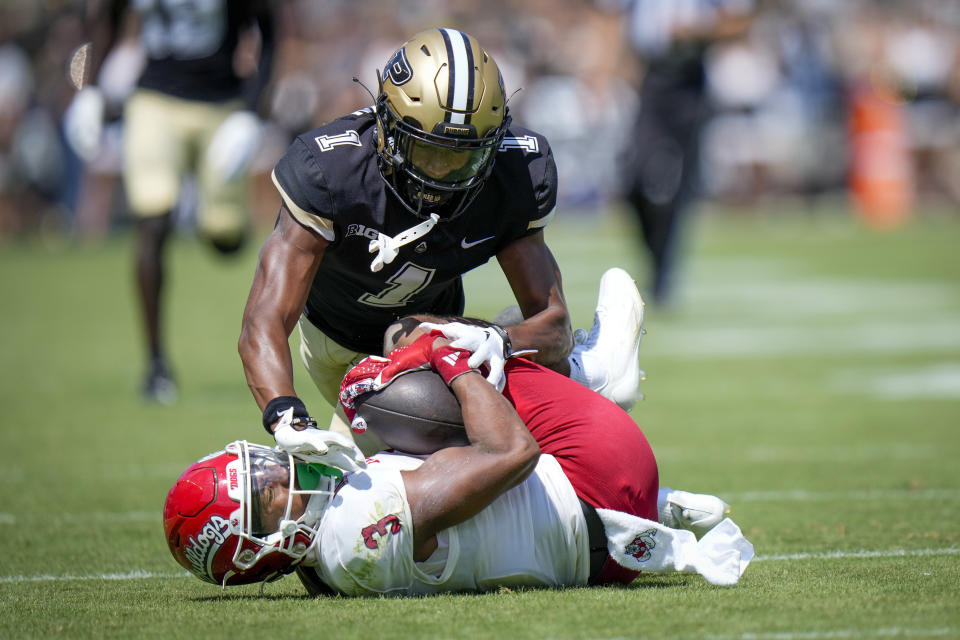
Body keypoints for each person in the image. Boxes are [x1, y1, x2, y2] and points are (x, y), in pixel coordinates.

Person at [237, 28, 644, 454]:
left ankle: (585, 394)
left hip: (435, 342)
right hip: (335, 345)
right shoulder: (331, 172)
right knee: (398, 465)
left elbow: (552, 323)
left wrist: (502, 342)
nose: (443, 174)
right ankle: (588, 376)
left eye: (463, 156)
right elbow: (264, 318)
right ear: (386, 128)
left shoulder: (513, 172)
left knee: (422, 463)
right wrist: (284, 411)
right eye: (427, 151)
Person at [164, 326, 752, 594]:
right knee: (390, 371)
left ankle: (664, 506)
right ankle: (593, 372)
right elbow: (511, 453)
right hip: (598, 475)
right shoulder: (354, 527)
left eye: (263, 467)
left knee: (377, 410)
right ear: (261, 549)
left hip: (604, 552)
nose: (279, 470)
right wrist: (445, 356)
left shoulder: (329, 565)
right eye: (267, 494)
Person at [64, 0, 276, 403]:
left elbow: (270, 33)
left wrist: (252, 112)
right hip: (153, 102)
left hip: (221, 105)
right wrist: (86, 91)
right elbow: (104, 22)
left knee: (225, 238)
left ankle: (211, 213)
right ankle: (156, 364)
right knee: (153, 222)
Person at [607, 0, 754, 303]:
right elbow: (616, 20)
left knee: (677, 188)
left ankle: (664, 273)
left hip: (689, 81)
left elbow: (740, 21)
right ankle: (655, 256)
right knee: (633, 181)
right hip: (650, 79)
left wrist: (699, 31)